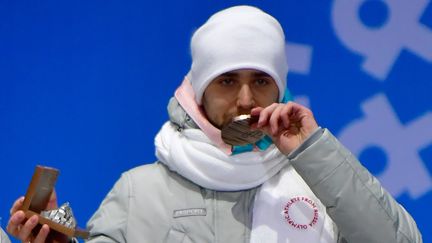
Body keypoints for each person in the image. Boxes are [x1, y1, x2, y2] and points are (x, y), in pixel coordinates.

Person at [7, 5, 422, 243]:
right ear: (198, 91)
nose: (245, 99)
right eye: (227, 81)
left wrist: (314, 152)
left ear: (280, 91)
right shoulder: (139, 192)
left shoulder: (320, 184)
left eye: (261, 81)